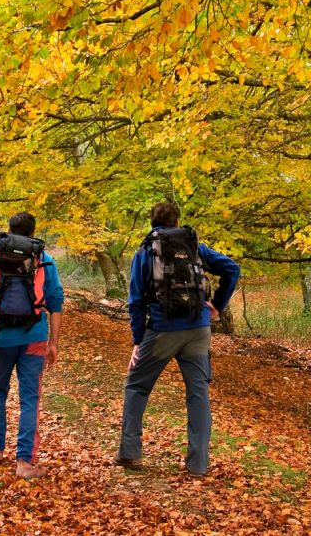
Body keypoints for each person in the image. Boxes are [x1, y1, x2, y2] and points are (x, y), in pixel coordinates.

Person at [116, 202, 240, 477]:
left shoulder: (146, 251)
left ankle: (130, 452)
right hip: (198, 329)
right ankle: (198, 464)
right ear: (177, 220)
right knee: (198, 394)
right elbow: (232, 269)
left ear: (152, 222)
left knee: (136, 386)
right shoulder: (196, 247)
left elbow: (136, 300)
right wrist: (217, 305)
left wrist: (138, 340)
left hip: (162, 329)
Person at [0, 212, 64, 479]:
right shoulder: (44, 260)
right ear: (32, 231)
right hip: (33, 337)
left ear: (9, 231)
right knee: (29, 398)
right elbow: (56, 302)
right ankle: (25, 462)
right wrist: (53, 343)